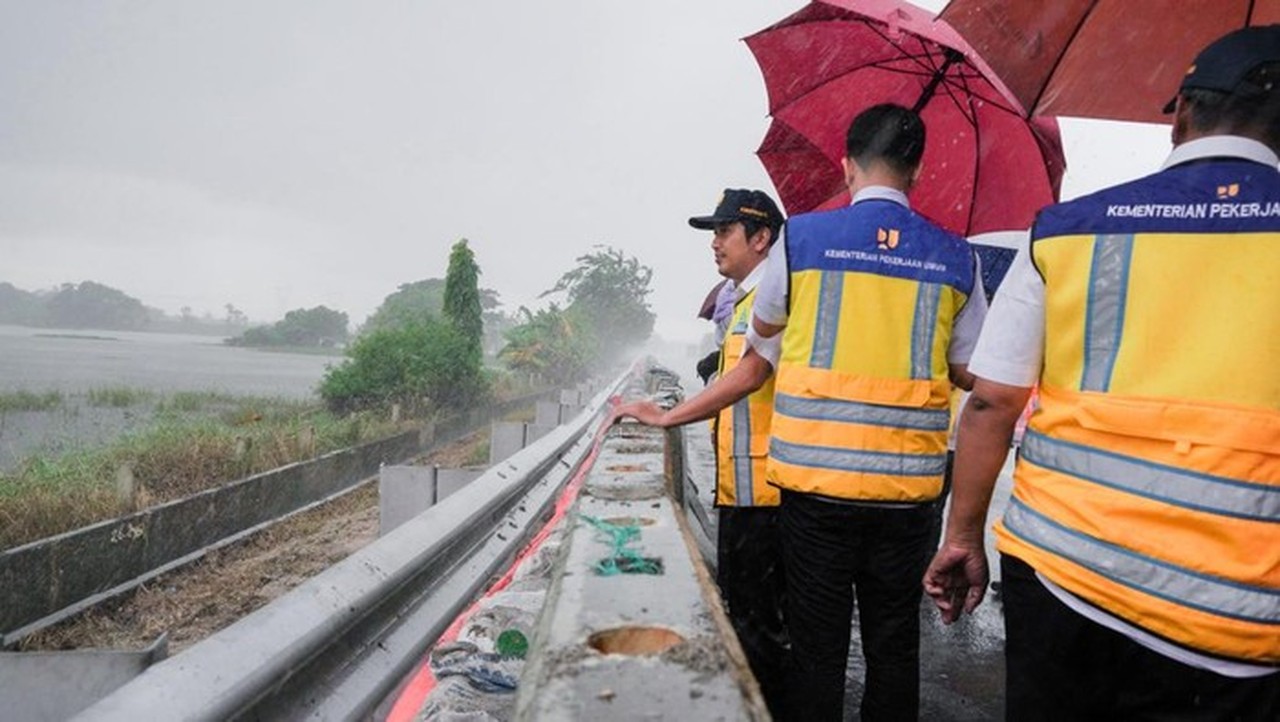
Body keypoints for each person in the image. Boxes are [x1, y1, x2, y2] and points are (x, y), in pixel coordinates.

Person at [924, 25, 1280, 720]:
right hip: (1238, 616)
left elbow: (994, 402)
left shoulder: (1068, 229)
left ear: (1180, 114)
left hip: (1062, 576)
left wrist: (962, 536)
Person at [747, 103, 988, 721]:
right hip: (906, 497)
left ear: (848, 165)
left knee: (818, 653)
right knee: (892, 648)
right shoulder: (957, 258)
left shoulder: (800, 238)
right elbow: (971, 369)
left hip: (815, 491)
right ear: (917, 171)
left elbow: (765, 328)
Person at [614, 188, 788, 716]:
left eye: (724, 231)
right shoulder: (743, 300)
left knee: (763, 636)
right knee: (747, 624)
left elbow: (749, 376)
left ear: (761, 238)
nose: (714, 243)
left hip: (768, 494)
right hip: (743, 488)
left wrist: (667, 415)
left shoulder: (770, 299)